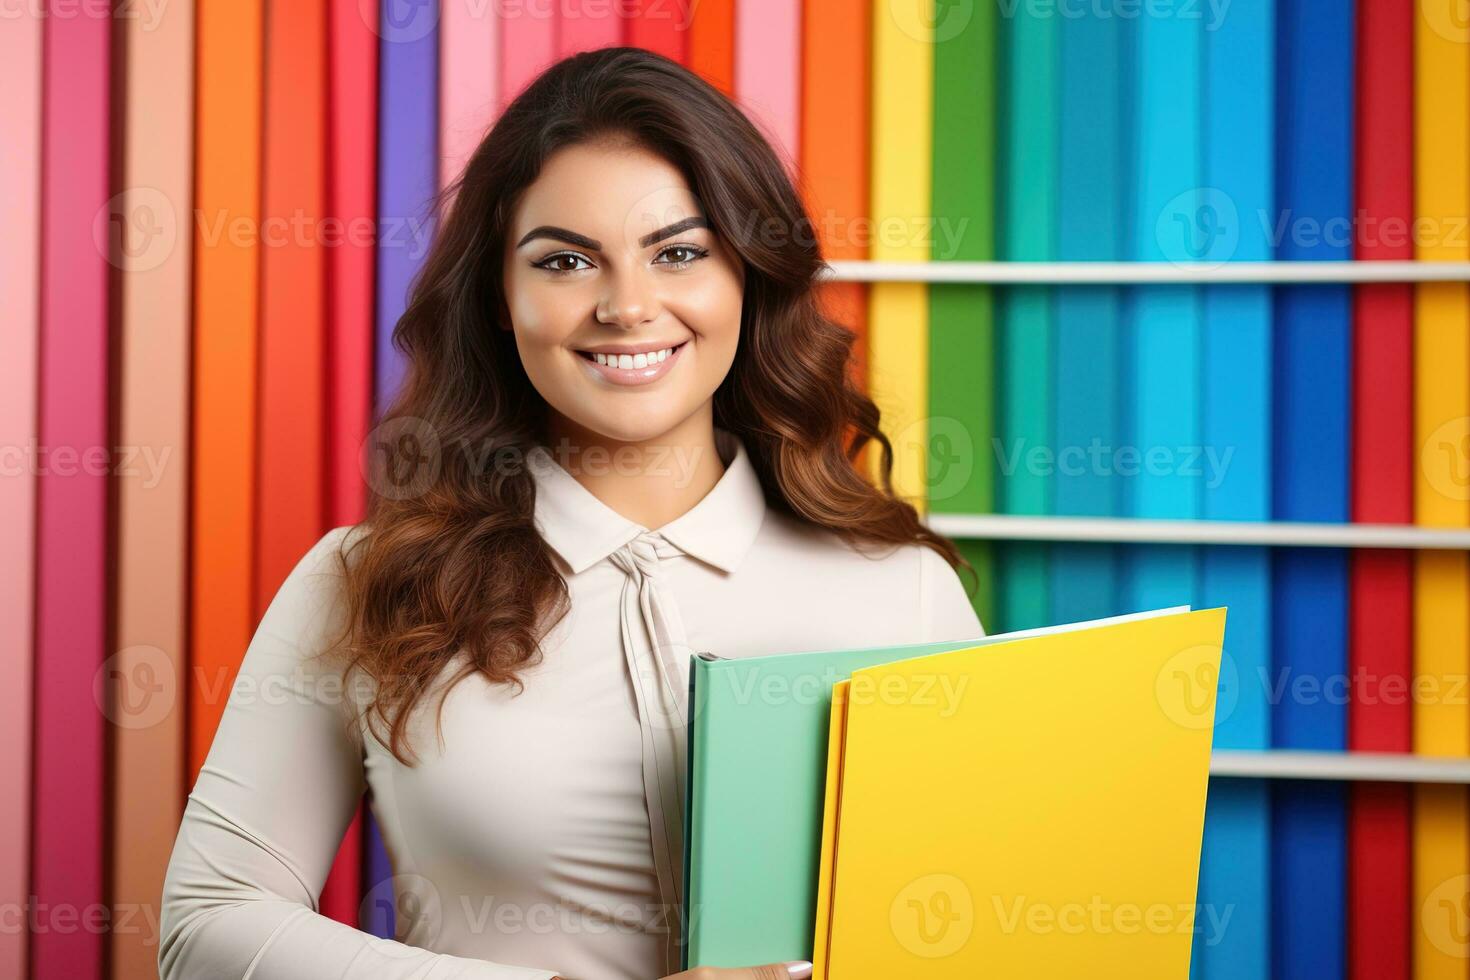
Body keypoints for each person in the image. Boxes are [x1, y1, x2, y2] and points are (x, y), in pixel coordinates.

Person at [158, 46, 984, 980]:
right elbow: (207, 925)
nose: (628, 306)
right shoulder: (368, 582)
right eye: (565, 261)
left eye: (679, 252)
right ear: (501, 302)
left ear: (748, 278)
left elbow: (986, 921)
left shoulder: (904, 590)